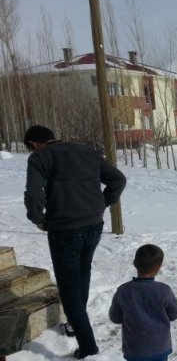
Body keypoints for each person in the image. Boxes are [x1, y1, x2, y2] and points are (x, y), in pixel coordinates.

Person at [23, 125, 126, 359]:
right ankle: (74, 324)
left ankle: (88, 346)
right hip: (93, 226)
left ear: (34, 144)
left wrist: (37, 218)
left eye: (30, 148)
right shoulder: (87, 152)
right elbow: (118, 180)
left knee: (69, 290)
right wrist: (102, 203)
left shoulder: (40, 157)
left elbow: (34, 193)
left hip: (64, 230)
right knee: (82, 273)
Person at [109, 244, 177, 361]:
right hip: (159, 347)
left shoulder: (123, 290)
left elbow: (115, 317)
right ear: (158, 268)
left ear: (134, 264)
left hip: (133, 349)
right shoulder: (164, 290)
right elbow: (174, 314)